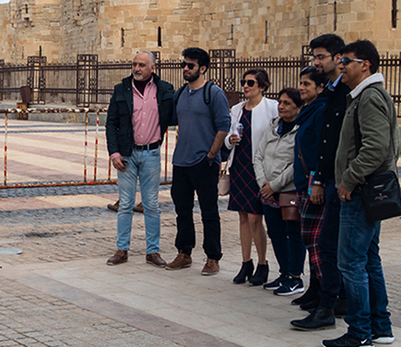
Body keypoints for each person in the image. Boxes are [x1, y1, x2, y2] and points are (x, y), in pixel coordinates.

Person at [322, 39, 398, 347]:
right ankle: (380, 327)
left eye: (347, 61)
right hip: (365, 191)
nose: (341, 66)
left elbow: (376, 148)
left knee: (351, 263)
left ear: (364, 64)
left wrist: (348, 181)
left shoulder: (369, 97)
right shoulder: (364, 95)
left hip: (360, 192)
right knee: (368, 259)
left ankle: (360, 332)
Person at [105, 51, 174, 267]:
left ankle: (152, 251)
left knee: (151, 204)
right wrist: (114, 153)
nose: (137, 68)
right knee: (125, 203)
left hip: (151, 153)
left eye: (142, 65)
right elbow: (111, 124)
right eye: (134, 64)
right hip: (127, 154)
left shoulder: (165, 90)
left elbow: (175, 115)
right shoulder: (121, 89)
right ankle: (121, 249)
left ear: (153, 68)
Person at [166, 47, 231, 275]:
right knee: (182, 210)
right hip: (181, 162)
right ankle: (184, 253)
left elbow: (224, 126)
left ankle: (213, 257)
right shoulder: (180, 93)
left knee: (209, 212)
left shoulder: (213, 93)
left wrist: (211, 155)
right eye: (184, 64)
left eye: (190, 65)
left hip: (205, 162)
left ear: (202, 68)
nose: (185, 68)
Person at [307, 34, 349, 317]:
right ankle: (331, 299)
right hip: (330, 176)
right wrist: (319, 179)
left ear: (337, 57)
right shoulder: (332, 92)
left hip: (343, 179)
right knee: (328, 243)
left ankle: (332, 303)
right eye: (314, 57)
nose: (316, 62)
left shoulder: (347, 92)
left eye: (320, 57)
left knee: (333, 245)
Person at [225, 69, 278, 286]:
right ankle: (245, 262)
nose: (246, 86)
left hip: (259, 169)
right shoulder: (236, 109)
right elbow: (228, 136)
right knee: (243, 217)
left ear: (262, 87)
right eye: (244, 82)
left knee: (256, 217)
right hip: (239, 166)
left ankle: (262, 263)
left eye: (251, 83)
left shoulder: (272, 107)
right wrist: (231, 139)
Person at [289, 68, 331, 329]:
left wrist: (317, 182)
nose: (302, 88)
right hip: (304, 184)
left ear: (320, 87)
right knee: (309, 240)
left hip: (314, 186)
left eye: (307, 84)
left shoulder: (320, 111)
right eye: (301, 83)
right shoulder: (307, 112)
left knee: (317, 245)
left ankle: (326, 302)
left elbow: (321, 150)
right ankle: (316, 290)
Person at [253, 87, 306, 295]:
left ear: (298, 107)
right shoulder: (274, 126)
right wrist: (263, 183)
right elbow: (259, 155)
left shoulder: (301, 129)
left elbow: (297, 162)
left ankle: (295, 276)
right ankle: (284, 272)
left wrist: (275, 185)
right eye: (280, 102)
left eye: (287, 103)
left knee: (293, 234)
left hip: (288, 190)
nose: (281, 107)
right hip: (267, 190)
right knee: (275, 233)